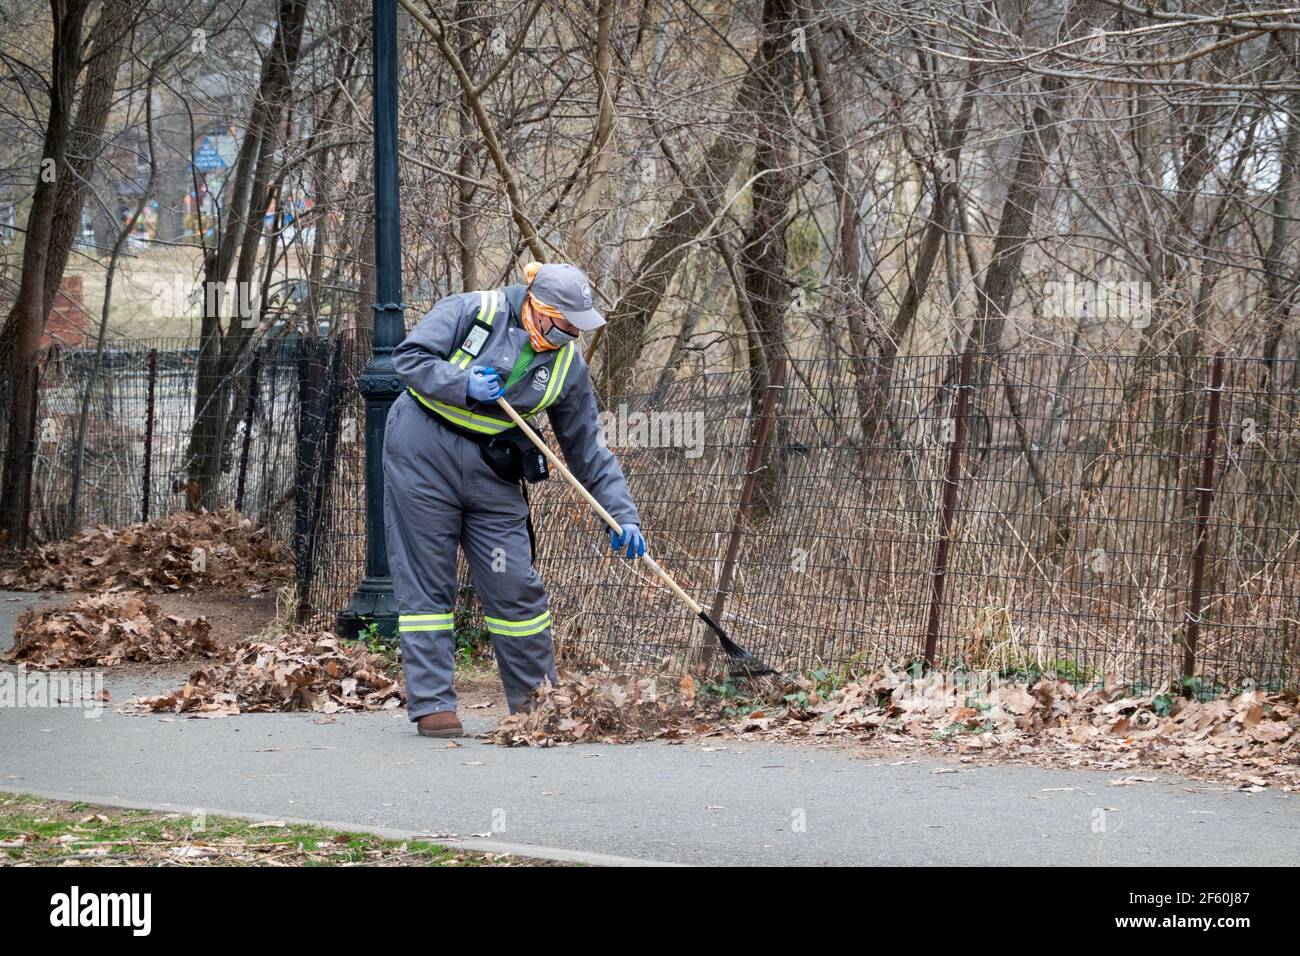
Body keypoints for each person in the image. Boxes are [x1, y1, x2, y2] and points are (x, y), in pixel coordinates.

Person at [383, 262, 646, 737]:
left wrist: (620, 515)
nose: (571, 338)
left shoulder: (568, 366)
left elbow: (587, 447)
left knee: (514, 582)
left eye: (577, 330)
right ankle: (433, 704)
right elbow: (409, 359)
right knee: (428, 581)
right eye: (566, 327)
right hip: (422, 454)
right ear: (537, 311)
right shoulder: (470, 311)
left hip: (492, 471)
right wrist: (461, 383)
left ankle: (535, 702)